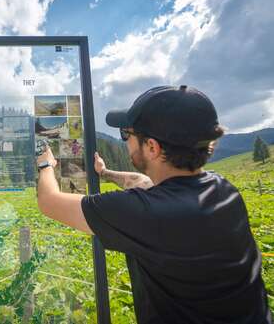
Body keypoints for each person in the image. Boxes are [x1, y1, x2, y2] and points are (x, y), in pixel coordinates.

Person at [36, 85, 272, 323]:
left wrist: (46, 165)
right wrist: (105, 172)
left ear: (152, 147)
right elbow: (143, 183)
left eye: (127, 134)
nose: (126, 142)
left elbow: (49, 202)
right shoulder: (223, 190)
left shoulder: (146, 214)